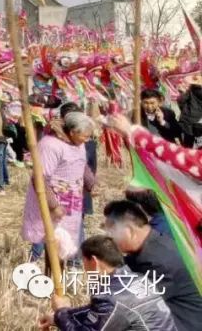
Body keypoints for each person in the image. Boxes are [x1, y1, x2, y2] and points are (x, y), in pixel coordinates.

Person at [38, 234, 175, 331]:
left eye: (84, 262)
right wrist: (62, 316)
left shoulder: (111, 296)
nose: (84, 268)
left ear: (94, 261)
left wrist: (61, 312)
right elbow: (97, 313)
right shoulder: (139, 279)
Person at [103, 199, 202, 331]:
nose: (110, 239)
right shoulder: (151, 244)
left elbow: (128, 304)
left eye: (111, 232)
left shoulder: (159, 262)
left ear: (128, 231)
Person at [23, 111, 94, 263]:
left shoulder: (78, 143)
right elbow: (39, 177)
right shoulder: (50, 145)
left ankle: (59, 279)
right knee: (51, 242)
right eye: (85, 136)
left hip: (71, 202)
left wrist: (91, 184)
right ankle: (40, 270)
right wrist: (54, 205)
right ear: (73, 132)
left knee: (63, 246)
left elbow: (82, 164)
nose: (87, 140)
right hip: (53, 203)